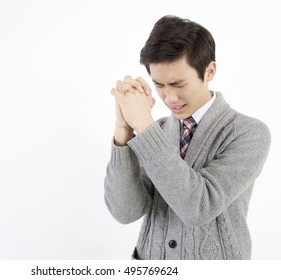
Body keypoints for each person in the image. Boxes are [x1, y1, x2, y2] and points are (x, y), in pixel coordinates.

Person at [104, 15, 271, 260]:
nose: (169, 98)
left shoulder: (249, 133)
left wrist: (144, 127)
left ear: (210, 70)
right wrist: (123, 131)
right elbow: (125, 211)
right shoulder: (156, 131)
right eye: (159, 84)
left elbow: (198, 207)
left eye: (178, 83)